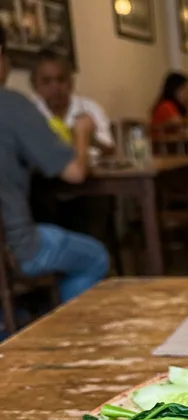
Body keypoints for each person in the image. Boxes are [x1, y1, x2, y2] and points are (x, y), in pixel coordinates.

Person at [0, 25, 108, 306]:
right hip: (16, 250)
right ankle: (65, 336)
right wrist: (82, 133)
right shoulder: (12, 105)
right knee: (95, 256)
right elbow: (75, 172)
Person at [30, 49, 114, 155]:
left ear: (71, 82)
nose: (56, 87)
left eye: (61, 80)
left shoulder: (90, 108)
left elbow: (110, 150)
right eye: (47, 81)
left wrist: (86, 137)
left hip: (91, 170)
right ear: (35, 85)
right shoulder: (28, 112)